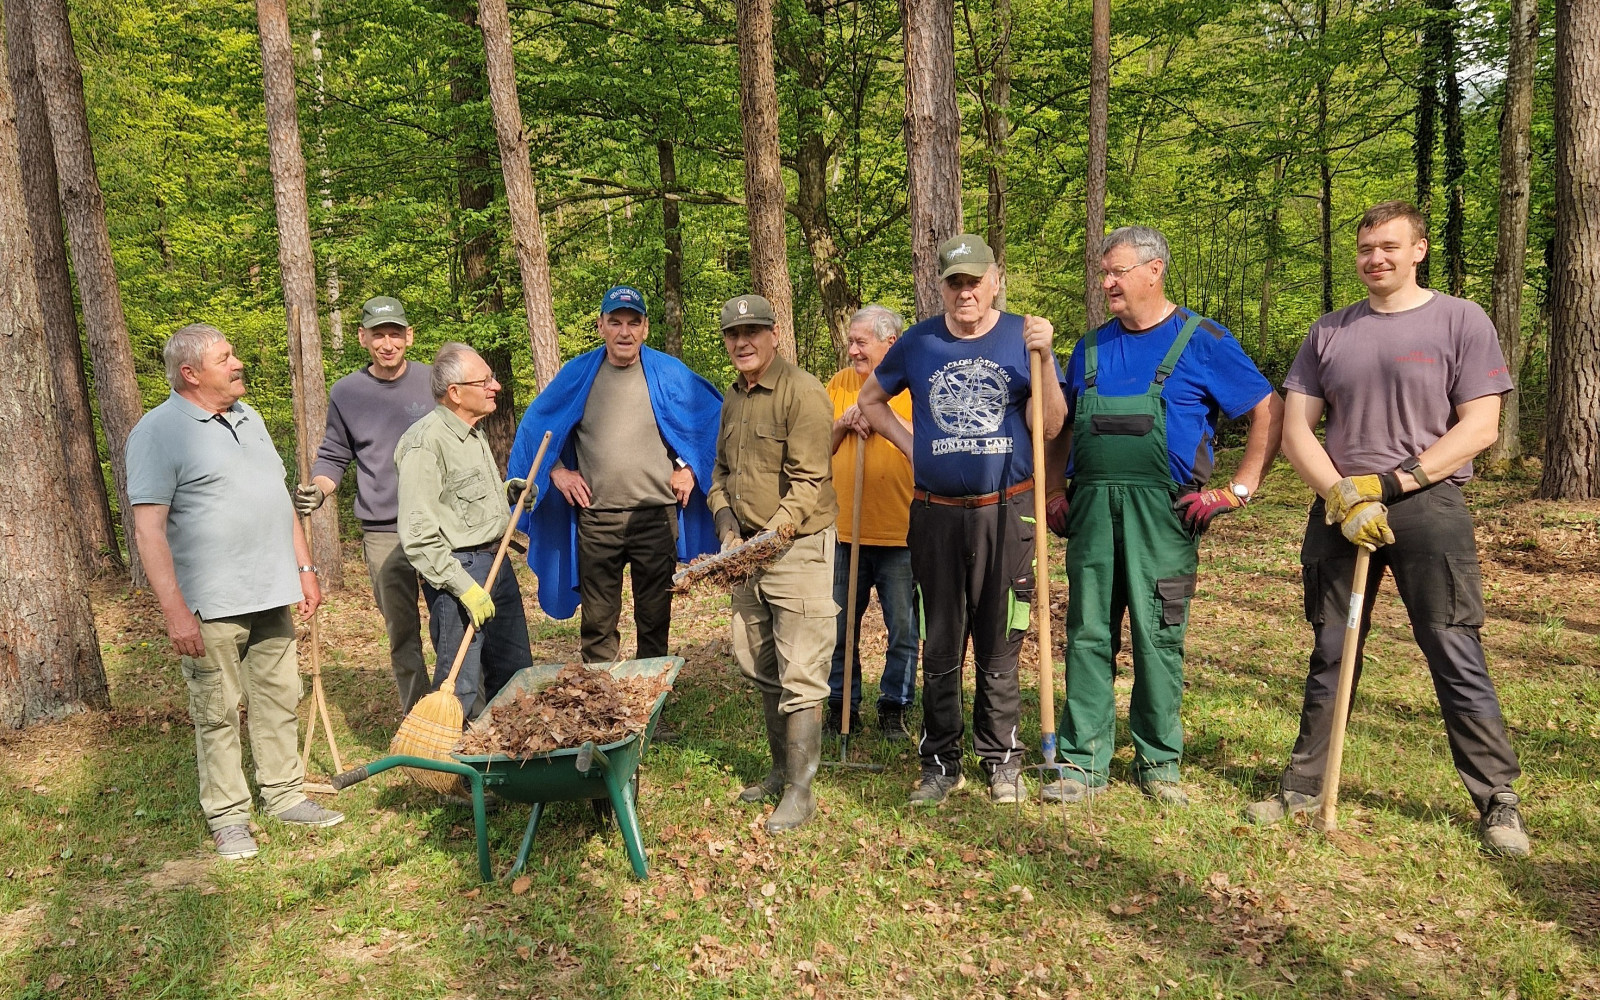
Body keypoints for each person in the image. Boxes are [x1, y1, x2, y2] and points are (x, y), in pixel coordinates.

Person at [1244, 200, 1528, 856]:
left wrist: (1393, 485)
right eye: (1366, 248)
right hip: (1342, 509)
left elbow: (1480, 427)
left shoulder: (1461, 319)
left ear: (1418, 250)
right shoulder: (1329, 331)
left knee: (1452, 645)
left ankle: (1497, 799)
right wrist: (1342, 495)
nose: (1375, 259)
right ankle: (1303, 787)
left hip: (1428, 505)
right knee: (1332, 648)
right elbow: (1296, 430)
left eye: (1389, 247)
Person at [1041, 225, 1282, 806]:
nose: (1107, 283)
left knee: (1158, 637)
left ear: (1155, 270)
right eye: (1103, 273)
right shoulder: (1090, 347)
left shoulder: (1204, 340)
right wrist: (1051, 490)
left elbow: (1267, 409)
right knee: (1088, 633)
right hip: (1092, 511)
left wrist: (1239, 489)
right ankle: (1081, 764)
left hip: (1165, 517)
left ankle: (1159, 764)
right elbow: (1059, 426)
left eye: (1117, 272)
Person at [858, 234, 1068, 807]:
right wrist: (914, 448)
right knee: (940, 640)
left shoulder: (1024, 336)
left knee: (1001, 638)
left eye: (975, 281)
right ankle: (940, 764)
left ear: (995, 281)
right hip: (936, 514)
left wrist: (1048, 359)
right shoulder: (919, 342)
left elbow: (1051, 426)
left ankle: (1002, 760)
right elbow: (870, 401)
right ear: (941, 286)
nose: (965, 292)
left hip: (1008, 510)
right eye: (955, 282)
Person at [127, 323, 345, 862]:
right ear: (190, 373)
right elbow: (149, 530)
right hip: (211, 603)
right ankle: (228, 817)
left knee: (279, 697)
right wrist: (175, 612)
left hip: (271, 591)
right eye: (225, 358)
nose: (237, 363)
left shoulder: (250, 417)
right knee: (217, 711)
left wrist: (304, 568)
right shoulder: (157, 432)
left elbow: (278, 500)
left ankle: (284, 795)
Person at [509, 285, 723, 661]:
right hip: (597, 517)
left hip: (655, 515)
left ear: (645, 328)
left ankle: (652, 688)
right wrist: (556, 472)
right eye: (616, 322)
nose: (625, 332)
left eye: (633, 323)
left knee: (654, 616)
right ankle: (600, 689)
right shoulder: (579, 375)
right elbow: (535, 426)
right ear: (601, 326)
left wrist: (690, 468)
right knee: (598, 620)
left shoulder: (669, 373)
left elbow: (714, 418)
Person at [709, 294, 838, 833]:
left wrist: (767, 538)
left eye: (753, 332)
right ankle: (781, 769)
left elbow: (809, 481)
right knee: (760, 665)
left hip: (798, 549)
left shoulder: (803, 392)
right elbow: (720, 474)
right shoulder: (733, 397)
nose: (743, 343)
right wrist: (726, 527)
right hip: (746, 553)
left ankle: (800, 792)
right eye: (734, 335)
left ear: (774, 334)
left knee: (801, 671)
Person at [295, 296, 435, 712]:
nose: (387, 343)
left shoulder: (434, 381)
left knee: (452, 622)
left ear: (410, 336)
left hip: (439, 524)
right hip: (383, 531)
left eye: (395, 333)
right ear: (362, 338)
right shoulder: (347, 392)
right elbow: (334, 454)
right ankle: (418, 716)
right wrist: (319, 489)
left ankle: (458, 710)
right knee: (402, 631)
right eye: (378, 335)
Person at [395, 342, 534, 719]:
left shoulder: (474, 432)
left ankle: (507, 751)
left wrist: (509, 493)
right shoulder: (424, 443)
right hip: (458, 574)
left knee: (515, 674)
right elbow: (418, 535)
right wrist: (463, 588)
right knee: (462, 688)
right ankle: (456, 756)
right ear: (455, 393)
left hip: (497, 564)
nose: (496, 386)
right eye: (484, 380)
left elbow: (458, 503)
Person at [825, 305, 918, 741]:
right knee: (839, 627)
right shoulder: (839, 384)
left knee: (903, 629)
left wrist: (879, 415)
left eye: (861, 342)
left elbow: (925, 445)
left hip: (900, 533)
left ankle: (894, 707)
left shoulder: (913, 385)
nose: (853, 350)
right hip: (846, 532)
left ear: (890, 343)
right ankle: (841, 705)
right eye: (851, 341)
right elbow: (818, 447)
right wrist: (844, 422)